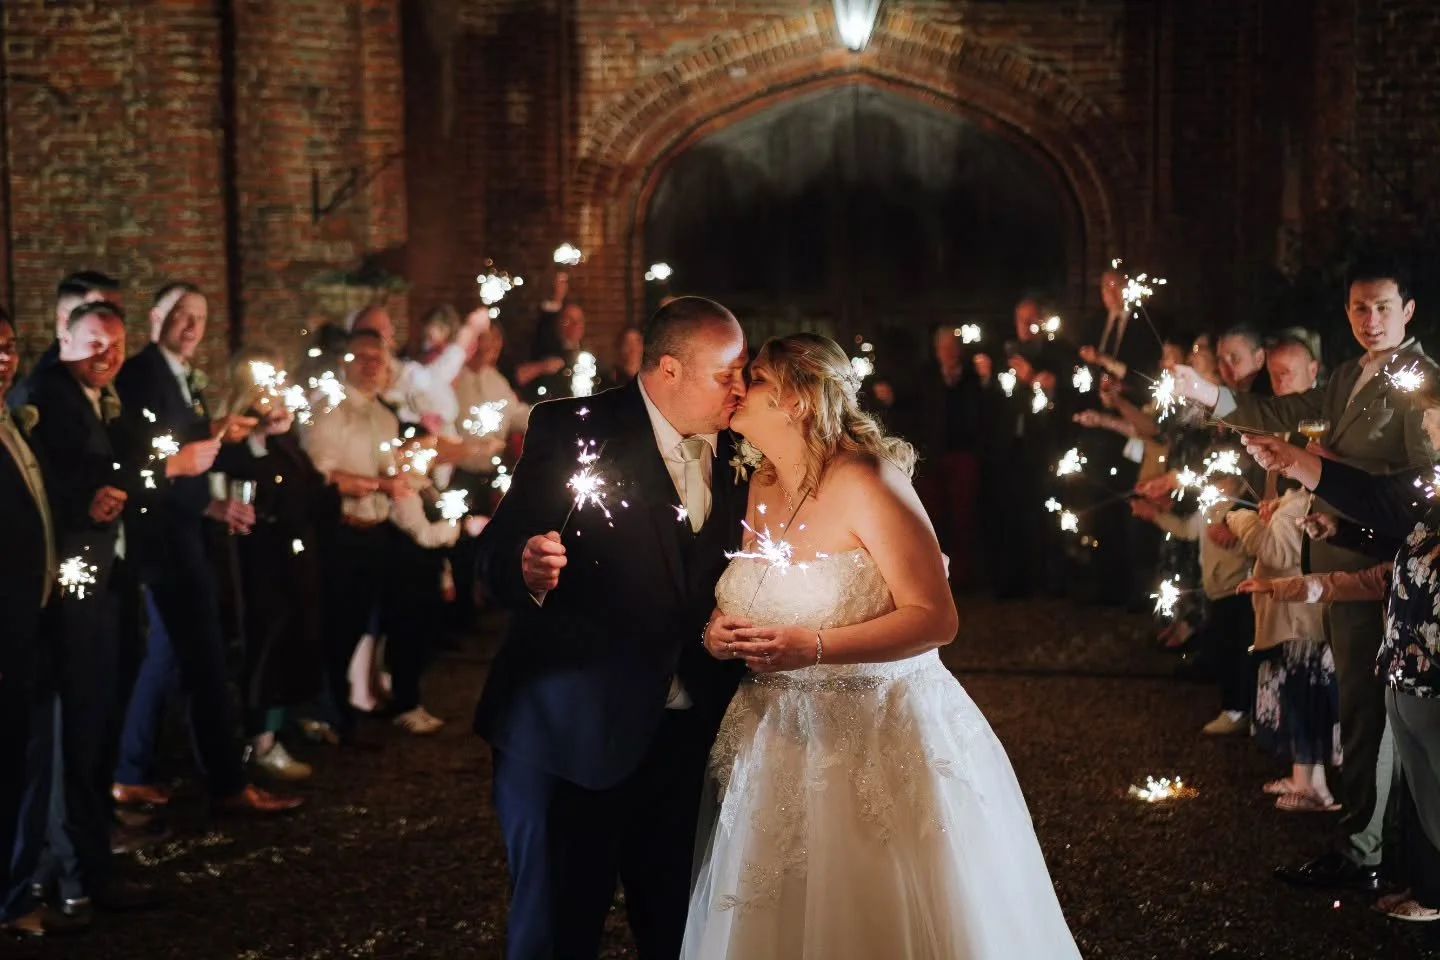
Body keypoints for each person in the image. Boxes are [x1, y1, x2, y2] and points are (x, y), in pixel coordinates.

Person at [682, 333, 1079, 958]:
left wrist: (813, 647)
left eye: (754, 378)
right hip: (775, 740)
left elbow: (935, 617)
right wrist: (717, 630)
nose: (737, 388)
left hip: (873, 736)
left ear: (799, 400)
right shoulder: (758, 482)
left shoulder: (866, 479)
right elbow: (753, 589)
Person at [474, 296, 751, 958]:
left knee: (681, 932)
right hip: (570, 737)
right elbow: (492, 555)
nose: (742, 388)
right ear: (670, 370)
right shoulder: (574, 429)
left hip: (691, 741)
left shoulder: (749, 447)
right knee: (557, 933)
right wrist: (528, 569)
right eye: (727, 373)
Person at [1168, 256, 1436, 890]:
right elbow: (1288, 414)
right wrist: (1213, 397)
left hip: (1382, 570)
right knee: (1361, 709)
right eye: (1359, 309)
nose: (1370, 321)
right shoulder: (1348, 375)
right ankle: (1372, 843)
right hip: (1337, 549)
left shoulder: (1420, 384)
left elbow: (1419, 495)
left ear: (1409, 312)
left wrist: (1322, 471)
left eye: (1383, 308)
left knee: (1374, 716)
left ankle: (1369, 853)